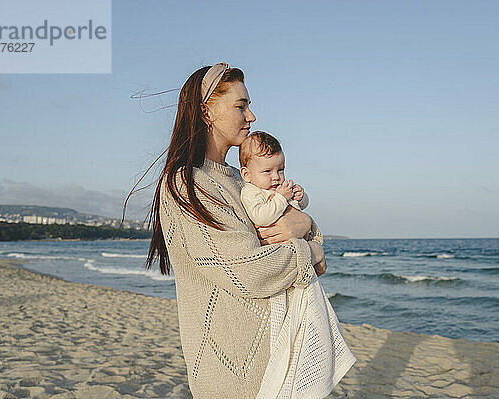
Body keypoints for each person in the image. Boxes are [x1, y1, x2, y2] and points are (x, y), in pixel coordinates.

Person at [146, 62, 352, 398]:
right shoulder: (188, 184)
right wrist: (311, 248)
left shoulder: (237, 180)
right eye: (241, 106)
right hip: (232, 374)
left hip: (270, 361)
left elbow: (282, 226)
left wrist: (308, 225)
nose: (251, 116)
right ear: (206, 112)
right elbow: (249, 270)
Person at [238, 131, 356, 398]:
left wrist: (300, 197)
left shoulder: (273, 189)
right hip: (277, 260)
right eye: (267, 171)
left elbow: (300, 209)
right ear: (246, 174)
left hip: (292, 256)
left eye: (280, 169)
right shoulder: (251, 193)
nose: (276, 177)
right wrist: (281, 198)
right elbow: (262, 214)